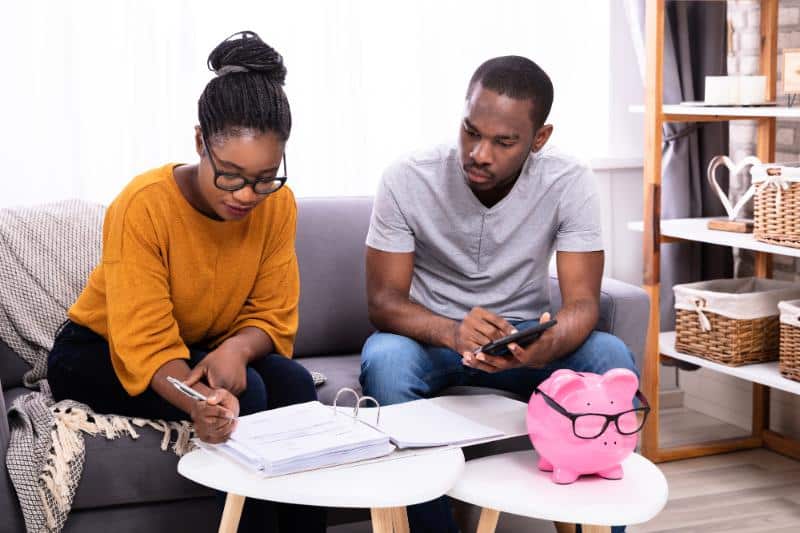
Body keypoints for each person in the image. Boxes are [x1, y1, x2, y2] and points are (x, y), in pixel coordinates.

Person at [47, 31, 326, 533]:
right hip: (99, 350)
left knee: (297, 384)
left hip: (204, 344)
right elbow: (146, 341)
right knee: (253, 397)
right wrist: (201, 403)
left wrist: (238, 351)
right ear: (200, 142)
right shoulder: (143, 205)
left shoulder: (279, 206)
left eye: (266, 177)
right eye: (232, 174)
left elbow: (274, 313)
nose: (248, 195)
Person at [360, 56, 636, 533]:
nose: (479, 153)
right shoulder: (407, 178)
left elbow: (583, 304)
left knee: (608, 354)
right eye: (471, 131)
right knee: (385, 358)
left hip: (525, 344)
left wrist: (544, 346)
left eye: (503, 141)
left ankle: (599, 524)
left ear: (539, 139)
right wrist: (451, 331)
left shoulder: (568, 182)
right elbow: (383, 302)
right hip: (432, 342)